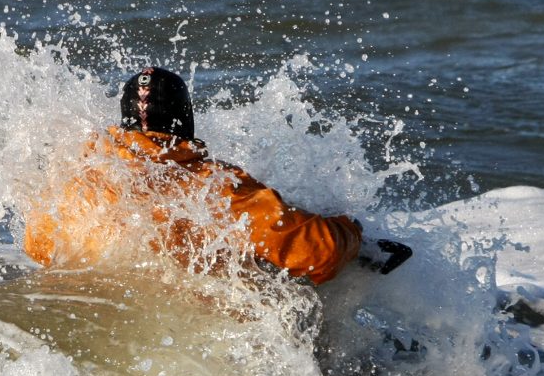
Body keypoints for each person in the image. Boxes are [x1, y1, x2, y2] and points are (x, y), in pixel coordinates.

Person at [23, 67, 362, 285]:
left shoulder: (81, 178)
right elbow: (320, 252)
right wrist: (353, 231)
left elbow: (37, 247)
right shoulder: (212, 185)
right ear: (185, 118)